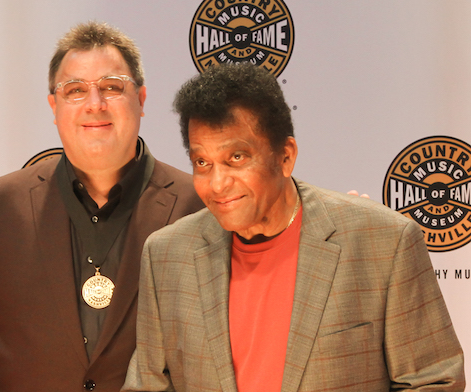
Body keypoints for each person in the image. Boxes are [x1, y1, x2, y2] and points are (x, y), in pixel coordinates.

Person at [122, 63, 466, 392]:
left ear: (285, 156)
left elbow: (433, 382)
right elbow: (149, 384)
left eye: (237, 158)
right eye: (202, 163)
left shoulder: (383, 242)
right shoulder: (166, 255)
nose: (217, 183)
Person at [0, 21, 204, 391]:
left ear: (141, 100)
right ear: (54, 106)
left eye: (111, 87)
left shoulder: (199, 204)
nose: (95, 104)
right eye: (75, 90)